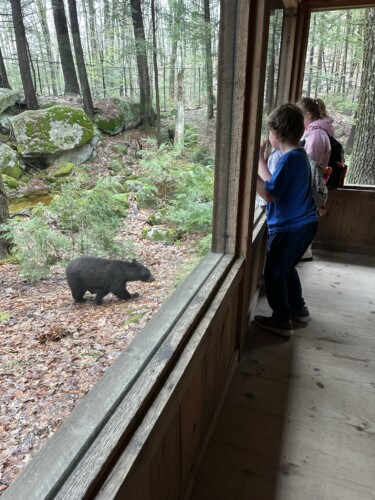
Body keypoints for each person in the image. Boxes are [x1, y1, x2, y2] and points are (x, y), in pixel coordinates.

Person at [255, 103, 318, 337]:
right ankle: (299, 309)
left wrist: (250, 169)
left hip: (291, 228)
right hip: (305, 225)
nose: (269, 136)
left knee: (274, 273)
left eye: (269, 132)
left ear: (276, 133)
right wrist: (259, 160)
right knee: (287, 267)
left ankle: (282, 319)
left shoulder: (288, 159)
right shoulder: (297, 155)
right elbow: (274, 183)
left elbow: (269, 194)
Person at [298, 97, 334, 260]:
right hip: (309, 184)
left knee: (307, 217)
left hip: (310, 185)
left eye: (300, 117)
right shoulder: (315, 132)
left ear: (308, 115)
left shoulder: (317, 135)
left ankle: (304, 251)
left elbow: (310, 164)